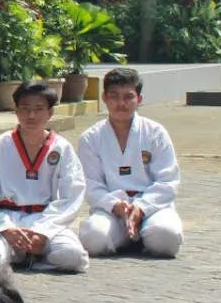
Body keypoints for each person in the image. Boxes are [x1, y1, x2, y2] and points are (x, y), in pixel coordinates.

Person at [0, 81, 89, 274]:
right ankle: (22, 256)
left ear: (50, 113)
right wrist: (6, 229)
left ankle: (34, 260)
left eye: (39, 109)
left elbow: (71, 195)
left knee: (72, 257)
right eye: (25, 109)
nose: (31, 115)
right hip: (7, 220)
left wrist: (43, 232)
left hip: (46, 219)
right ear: (16, 112)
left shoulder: (61, 148)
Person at [77, 68, 184, 258]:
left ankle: (143, 234)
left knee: (166, 238)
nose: (121, 103)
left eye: (128, 97)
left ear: (139, 99)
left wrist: (141, 208)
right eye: (114, 96)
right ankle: (127, 236)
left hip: (153, 207)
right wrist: (116, 205)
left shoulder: (155, 133)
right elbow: (91, 185)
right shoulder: (91, 138)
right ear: (104, 98)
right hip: (113, 211)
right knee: (93, 239)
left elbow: (168, 182)